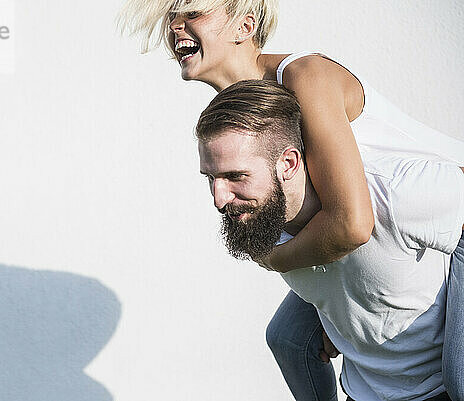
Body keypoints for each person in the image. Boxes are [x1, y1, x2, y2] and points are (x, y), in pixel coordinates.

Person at [118, 1, 464, 399]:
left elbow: (351, 224)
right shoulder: (245, 117)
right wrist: (343, 320)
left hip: (443, 220)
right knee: (288, 338)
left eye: (192, 15)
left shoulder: (304, 77)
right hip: (371, 236)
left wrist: (271, 259)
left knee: (456, 376)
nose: (176, 27)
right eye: (171, 18)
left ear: (245, 25)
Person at [196, 79, 464, 401]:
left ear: (288, 163)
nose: (218, 198)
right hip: (362, 391)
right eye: (211, 178)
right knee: (285, 337)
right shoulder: (261, 223)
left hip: (440, 389)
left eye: (235, 176)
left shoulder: (390, 194)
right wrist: (344, 321)